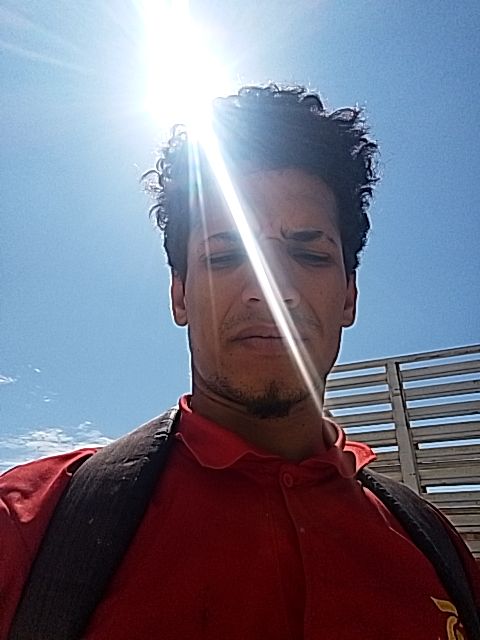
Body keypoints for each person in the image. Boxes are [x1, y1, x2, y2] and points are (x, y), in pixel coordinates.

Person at [1, 85, 479, 639]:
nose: (270, 290)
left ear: (349, 296)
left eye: (309, 254)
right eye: (225, 256)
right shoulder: (28, 528)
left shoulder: (440, 551)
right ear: (179, 294)